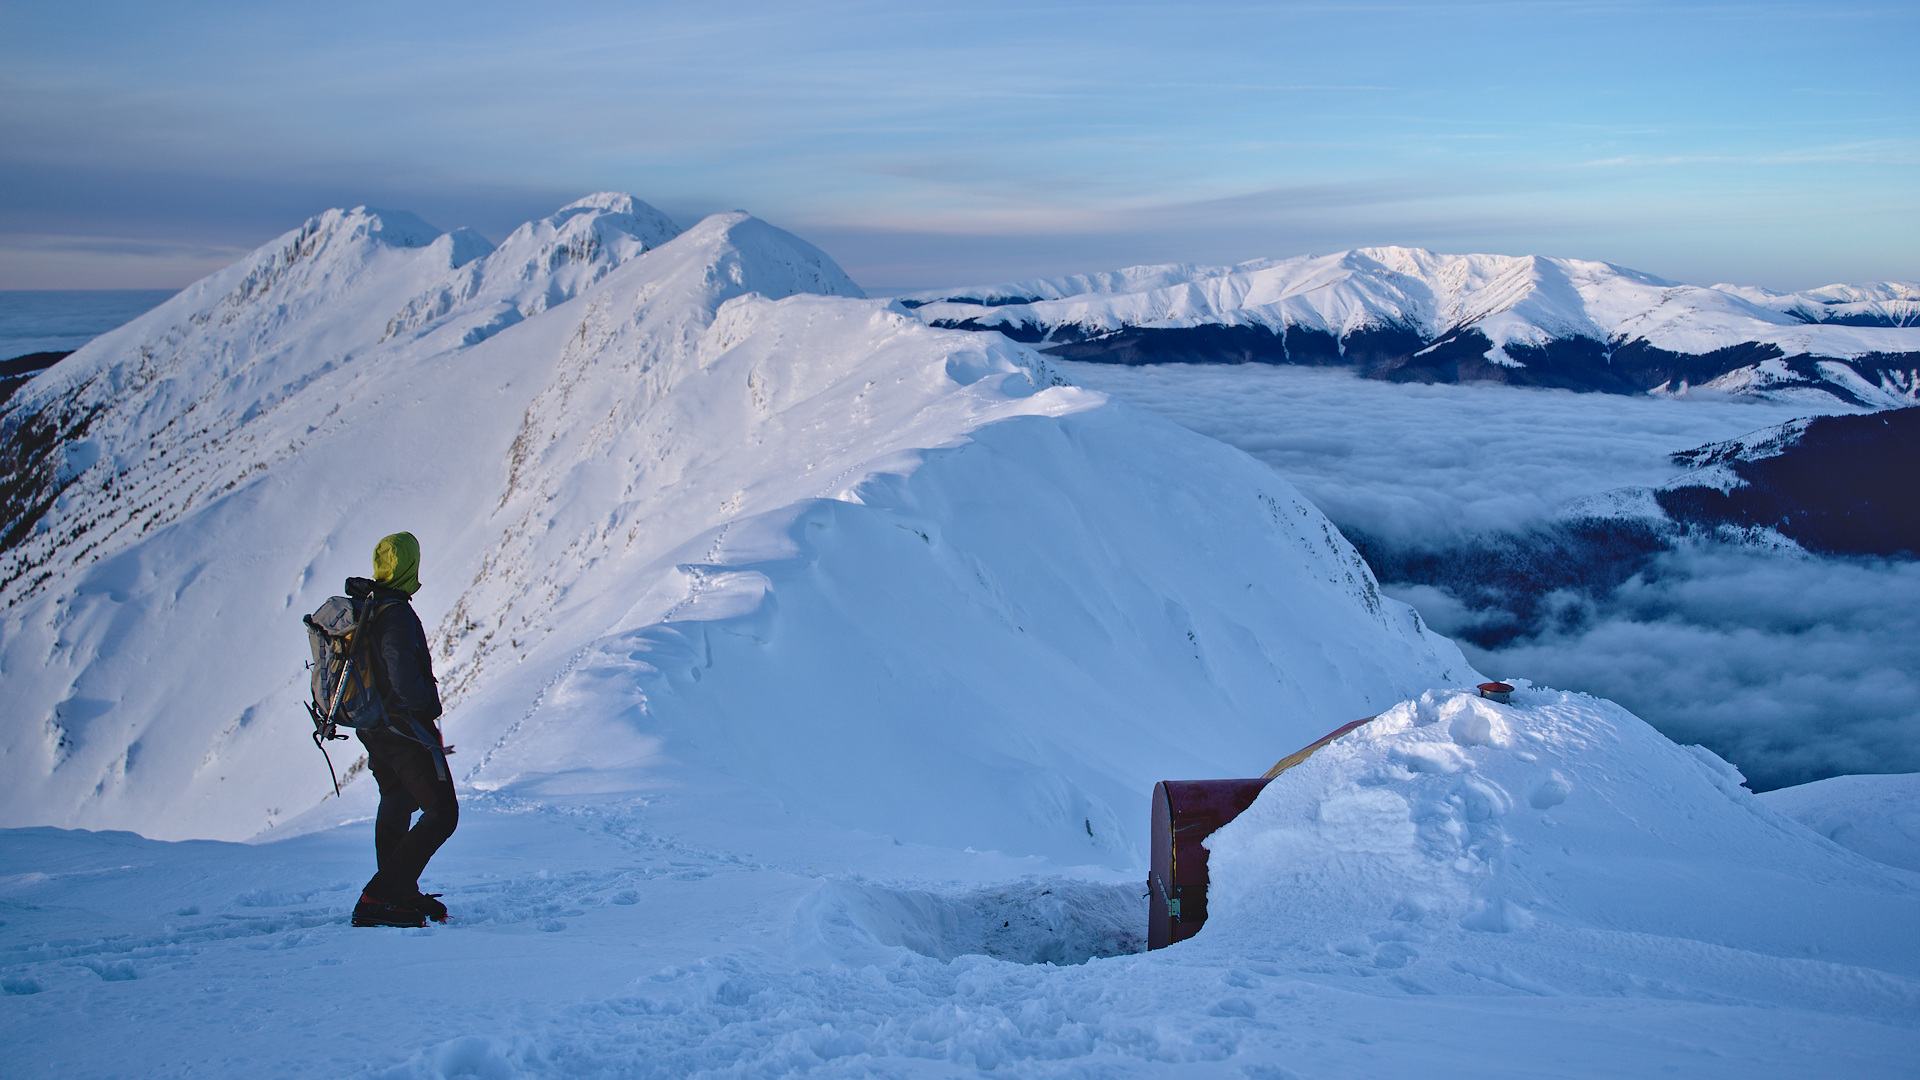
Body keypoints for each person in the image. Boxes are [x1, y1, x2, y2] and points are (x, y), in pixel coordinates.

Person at [349, 531, 459, 928]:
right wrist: (426, 706)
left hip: (374, 727)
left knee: (396, 800)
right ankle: (380, 896)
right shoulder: (394, 614)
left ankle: (399, 892)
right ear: (409, 565)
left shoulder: (370, 607)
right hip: (401, 728)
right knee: (443, 812)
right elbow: (400, 669)